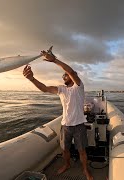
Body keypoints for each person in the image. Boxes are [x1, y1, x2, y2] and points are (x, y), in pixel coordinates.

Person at [23, 48, 93, 180]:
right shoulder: (61, 89)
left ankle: (85, 170)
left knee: (81, 151)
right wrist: (32, 79)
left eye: (65, 75)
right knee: (65, 150)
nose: (63, 76)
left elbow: (70, 71)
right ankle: (66, 165)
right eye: (63, 75)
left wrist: (54, 60)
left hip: (79, 125)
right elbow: (44, 88)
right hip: (65, 126)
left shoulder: (78, 87)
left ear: (72, 77)